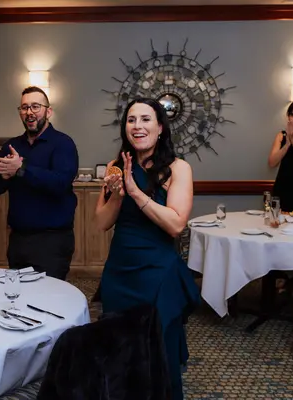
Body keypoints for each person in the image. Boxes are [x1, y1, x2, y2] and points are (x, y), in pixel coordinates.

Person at [95, 98, 200, 399]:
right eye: (131, 120)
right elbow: (101, 222)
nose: (137, 126)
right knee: (119, 351)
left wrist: (136, 192)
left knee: (157, 352)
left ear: (160, 127)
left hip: (157, 274)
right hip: (120, 271)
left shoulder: (178, 168)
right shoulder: (115, 167)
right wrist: (118, 195)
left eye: (145, 119)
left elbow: (176, 225)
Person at [0, 86, 79, 280]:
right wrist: (4, 176)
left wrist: (21, 169)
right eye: (24, 107)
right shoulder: (11, 146)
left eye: (35, 106)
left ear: (48, 111)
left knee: (49, 296)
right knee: (18, 294)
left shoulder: (63, 143)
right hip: (18, 240)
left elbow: (60, 183)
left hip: (53, 241)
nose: (29, 112)